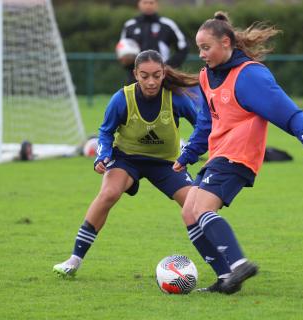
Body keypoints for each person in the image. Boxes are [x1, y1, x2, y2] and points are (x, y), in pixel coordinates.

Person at [173, 12, 303, 294]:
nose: (201, 54)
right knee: (188, 212)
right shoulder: (207, 77)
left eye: (205, 48)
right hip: (219, 154)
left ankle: (239, 263)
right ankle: (226, 279)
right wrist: (188, 155)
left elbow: (288, 113)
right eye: (199, 48)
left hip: (240, 155)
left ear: (226, 43)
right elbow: (206, 123)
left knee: (201, 208)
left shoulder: (250, 76)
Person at [53, 50, 200, 277]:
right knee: (108, 194)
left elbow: (202, 126)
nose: (151, 81)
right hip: (126, 159)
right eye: (144, 76)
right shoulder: (122, 98)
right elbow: (105, 132)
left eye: (156, 75)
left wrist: (189, 152)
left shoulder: (176, 98)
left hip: (166, 163)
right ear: (135, 74)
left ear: (163, 74)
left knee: (196, 206)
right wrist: (101, 156)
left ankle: (225, 264)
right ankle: (74, 260)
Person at [119, 0, 189, 84]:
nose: (148, 6)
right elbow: (122, 49)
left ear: (157, 4)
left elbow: (183, 47)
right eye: (145, 2)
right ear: (139, 4)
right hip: (136, 77)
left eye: (151, 2)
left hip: (162, 77)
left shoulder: (167, 25)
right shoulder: (130, 25)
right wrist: (129, 64)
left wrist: (169, 67)